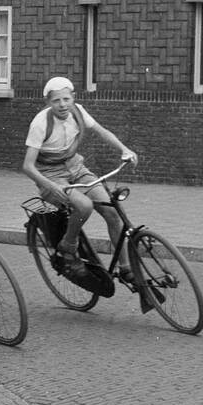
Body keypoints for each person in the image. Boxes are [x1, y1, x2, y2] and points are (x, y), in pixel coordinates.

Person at [21, 76, 138, 272]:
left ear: (73, 98)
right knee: (84, 206)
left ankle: (125, 268)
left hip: (76, 168)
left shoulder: (78, 112)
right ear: (48, 103)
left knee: (112, 212)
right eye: (56, 100)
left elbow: (102, 132)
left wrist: (124, 149)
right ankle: (68, 245)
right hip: (50, 176)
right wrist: (51, 186)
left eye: (66, 99)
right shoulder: (40, 123)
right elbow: (27, 166)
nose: (62, 105)